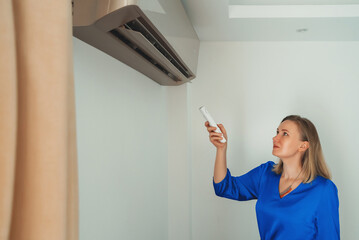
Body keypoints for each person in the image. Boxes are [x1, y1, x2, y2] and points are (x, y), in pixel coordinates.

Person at [205, 115, 340, 240]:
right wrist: (221, 149)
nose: (275, 138)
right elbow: (224, 187)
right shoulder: (265, 174)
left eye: (285, 134)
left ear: (303, 145)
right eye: (277, 132)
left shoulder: (323, 189)